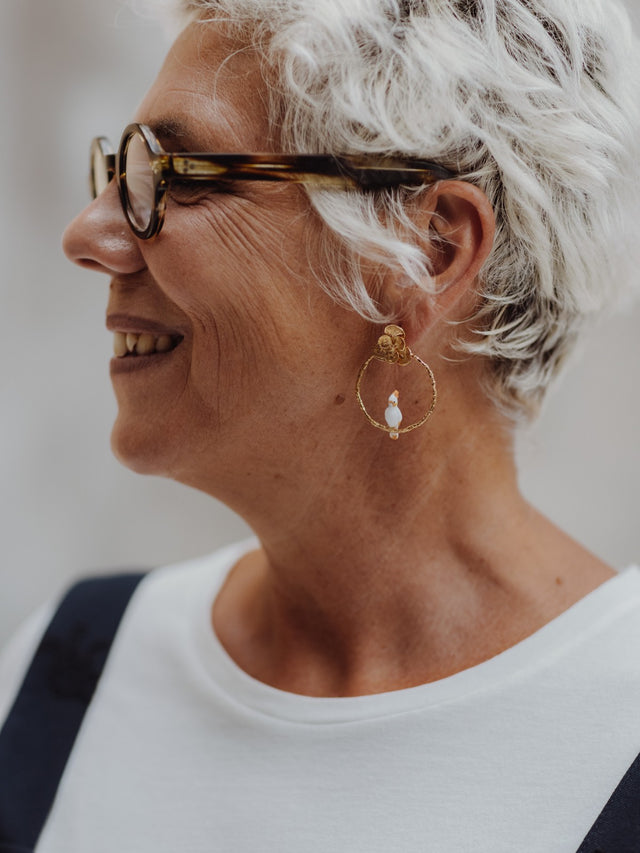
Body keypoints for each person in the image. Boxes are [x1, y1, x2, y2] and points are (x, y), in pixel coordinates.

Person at [1, 0, 640, 850]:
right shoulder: (71, 668)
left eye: (173, 173)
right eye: (115, 169)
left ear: (425, 252)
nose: (90, 233)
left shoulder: (619, 732)